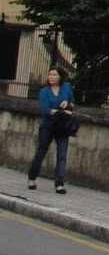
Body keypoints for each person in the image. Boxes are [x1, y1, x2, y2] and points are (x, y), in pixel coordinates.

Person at [27, 66, 74, 194]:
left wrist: (67, 104)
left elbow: (72, 104)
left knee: (62, 155)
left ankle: (59, 184)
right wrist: (56, 111)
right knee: (41, 151)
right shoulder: (44, 92)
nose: (51, 77)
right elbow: (44, 110)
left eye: (54, 74)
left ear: (60, 76)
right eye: (49, 75)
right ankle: (32, 178)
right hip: (47, 125)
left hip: (62, 126)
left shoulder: (66, 87)